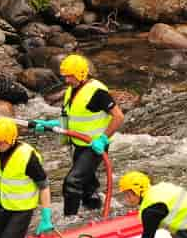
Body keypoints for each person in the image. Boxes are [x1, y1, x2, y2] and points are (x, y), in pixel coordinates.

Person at [33, 54, 124, 216]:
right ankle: (95, 212)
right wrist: (51, 125)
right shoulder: (71, 91)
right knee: (87, 188)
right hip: (80, 145)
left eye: (70, 76)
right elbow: (70, 117)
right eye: (65, 76)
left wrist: (103, 139)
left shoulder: (97, 92)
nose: (66, 80)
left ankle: (70, 222)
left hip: (94, 147)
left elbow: (119, 117)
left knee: (72, 183)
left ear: (81, 74)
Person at [0, 119, 54, 238]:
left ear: (11, 139)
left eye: (1, 142)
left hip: (21, 211)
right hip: (1, 207)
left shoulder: (27, 157)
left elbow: (44, 186)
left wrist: (46, 217)